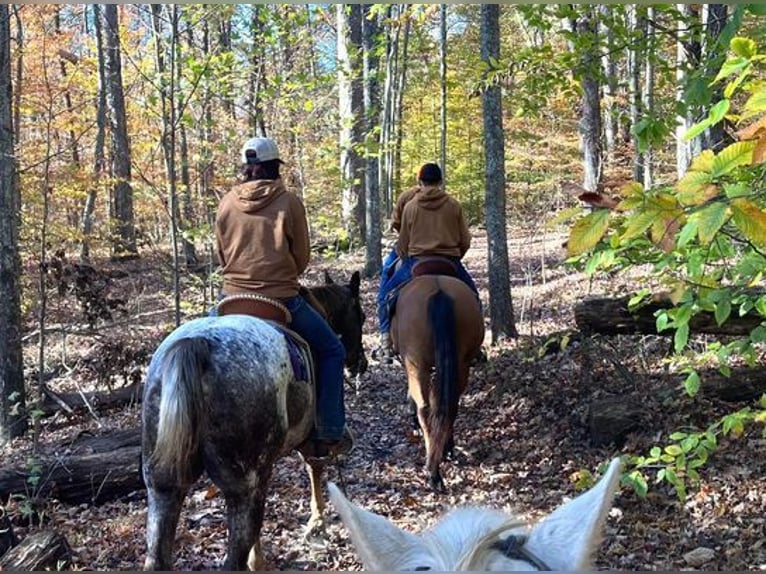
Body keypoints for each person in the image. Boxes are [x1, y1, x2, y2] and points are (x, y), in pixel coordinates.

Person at [215, 136, 353, 459]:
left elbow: (221, 256)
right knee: (332, 349)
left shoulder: (225, 204)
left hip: (231, 298)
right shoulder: (290, 203)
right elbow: (302, 258)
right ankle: (330, 431)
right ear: (274, 167)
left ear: (247, 168)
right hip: (281, 300)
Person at [376, 163, 480, 361]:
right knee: (474, 297)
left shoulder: (411, 205)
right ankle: (476, 347)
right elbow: (465, 240)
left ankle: (385, 341)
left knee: (385, 296)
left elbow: (403, 243)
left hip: (417, 261)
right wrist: (455, 256)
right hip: (449, 261)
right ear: (440, 181)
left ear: (420, 181)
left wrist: (409, 254)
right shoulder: (454, 205)